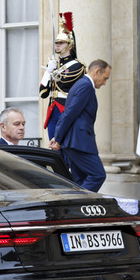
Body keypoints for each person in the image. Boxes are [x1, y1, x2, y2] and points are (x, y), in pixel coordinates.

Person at [49, 59, 111, 192]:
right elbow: (69, 114)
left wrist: (58, 137)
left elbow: (68, 113)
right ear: (97, 71)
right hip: (79, 143)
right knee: (98, 175)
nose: (105, 82)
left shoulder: (81, 84)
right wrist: (58, 138)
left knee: (80, 181)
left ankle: (75, 209)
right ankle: (76, 206)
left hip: (73, 143)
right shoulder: (86, 86)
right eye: (105, 78)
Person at [40, 12, 87, 140]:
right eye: (56, 43)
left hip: (66, 110)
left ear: (70, 45)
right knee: (54, 149)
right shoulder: (53, 65)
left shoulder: (77, 67)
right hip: (53, 109)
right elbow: (43, 93)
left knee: (65, 148)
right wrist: (48, 71)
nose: (57, 45)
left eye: (61, 42)